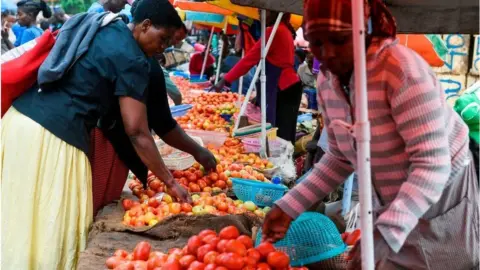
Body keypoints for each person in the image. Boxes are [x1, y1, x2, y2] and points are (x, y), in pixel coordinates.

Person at [262, 0, 479, 269]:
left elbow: (432, 165)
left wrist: (384, 234)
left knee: (441, 261)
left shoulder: (401, 70)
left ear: (364, 31)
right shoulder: (327, 81)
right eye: (316, 42)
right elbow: (340, 158)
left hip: (442, 187)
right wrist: (289, 206)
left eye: (339, 40)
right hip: (390, 186)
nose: (327, 53)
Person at [1, 0, 192, 268]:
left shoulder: (104, 26)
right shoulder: (134, 59)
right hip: (54, 138)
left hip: (18, 124)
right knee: (51, 227)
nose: (162, 48)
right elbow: (137, 131)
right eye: (162, 39)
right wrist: (170, 182)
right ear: (145, 25)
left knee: (15, 218)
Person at [212, 11, 302, 145]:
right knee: (285, 130)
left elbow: (250, 58)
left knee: (280, 132)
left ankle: (283, 160)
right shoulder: (283, 29)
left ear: (274, 13)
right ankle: (285, 157)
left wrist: (225, 79)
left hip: (284, 86)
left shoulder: (274, 31)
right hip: (289, 86)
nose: (260, 14)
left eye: (263, 11)